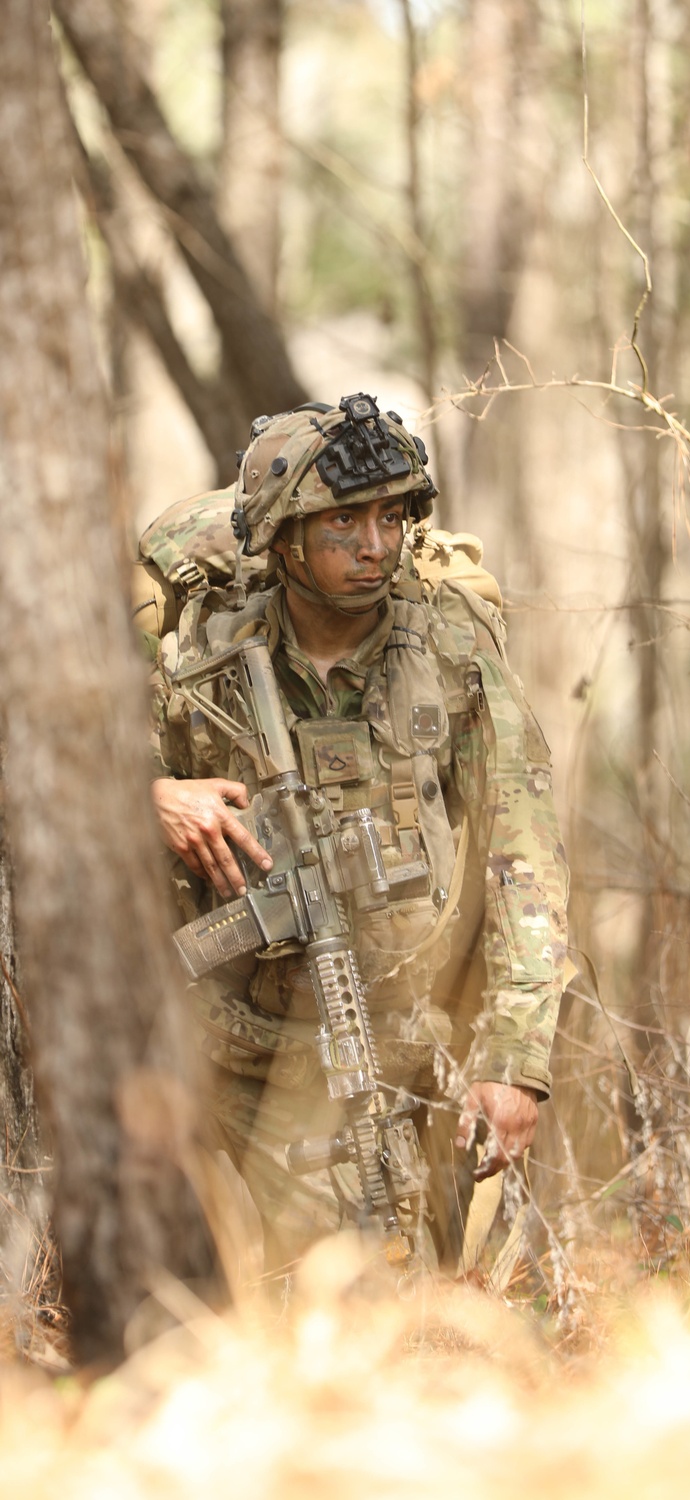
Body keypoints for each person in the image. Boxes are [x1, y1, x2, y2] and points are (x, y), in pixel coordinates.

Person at [149, 394, 568, 1269]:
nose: (374, 546)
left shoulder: (451, 648)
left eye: (390, 517)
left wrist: (515, 1058)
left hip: (407, 1045)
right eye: (344, 520)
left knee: (404, 1284)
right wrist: (153, 794)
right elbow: (62, 770)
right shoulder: (200, 648)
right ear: (285, 536)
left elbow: (524, 853)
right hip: (229, 1049)